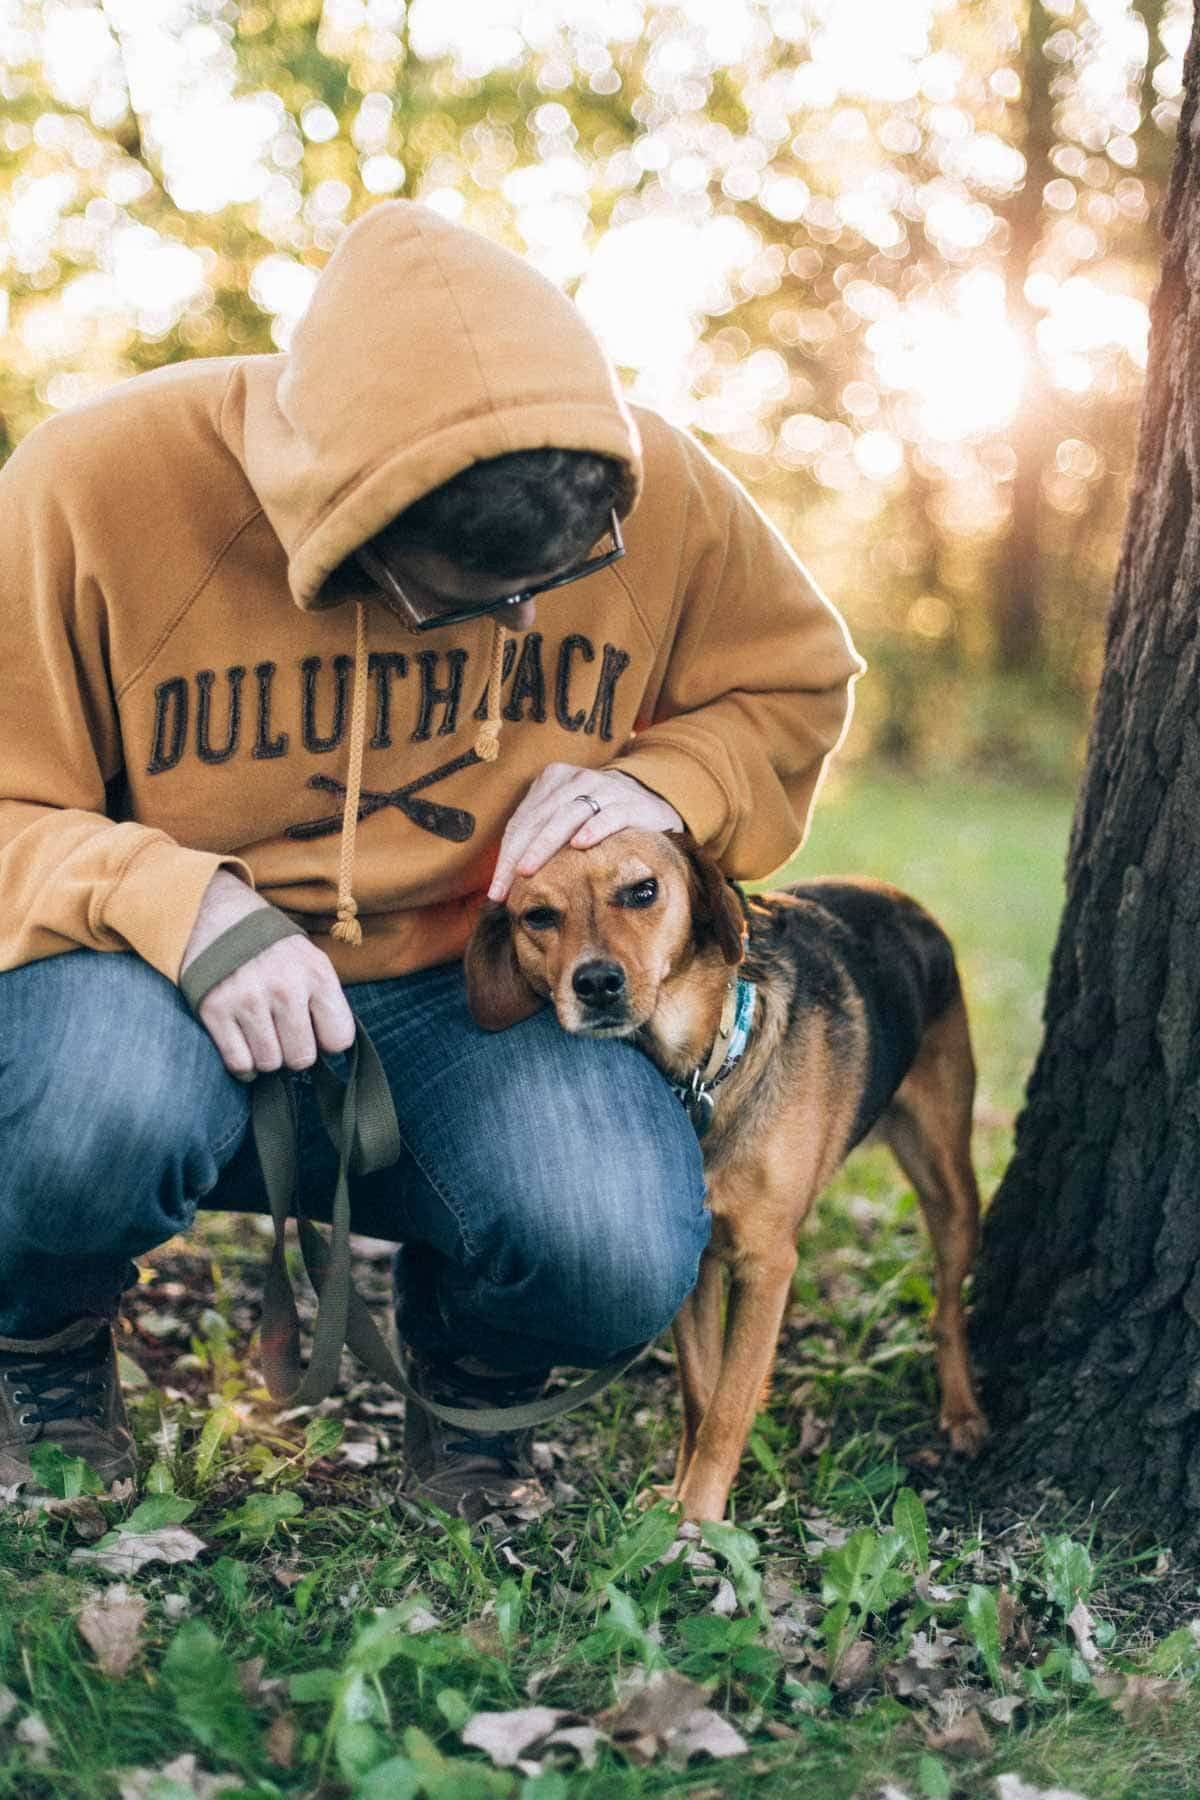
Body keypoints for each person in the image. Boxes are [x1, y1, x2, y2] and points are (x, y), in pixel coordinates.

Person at [0, 199, 863, 1521]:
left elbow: (797, 686)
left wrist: (655, 784)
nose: (521, 618)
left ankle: (473, 1358)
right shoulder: (90, 487)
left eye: (556, 579)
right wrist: (181, 904)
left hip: (473, 995)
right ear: (338, 523)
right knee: (82, 1111)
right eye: (468, 593)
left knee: (620, 1240)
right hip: (156, 991)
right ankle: (41, 1346)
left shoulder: (665, 486)